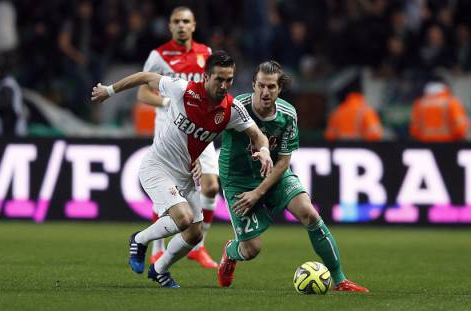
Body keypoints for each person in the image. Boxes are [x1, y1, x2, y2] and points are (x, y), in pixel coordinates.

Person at [91, 51, 273, 288]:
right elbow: (146, 77)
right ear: (206, 76)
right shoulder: (183, 89)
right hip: (157, 166)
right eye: (219, 79)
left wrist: (266, 151)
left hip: (185, 175)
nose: (224, 85)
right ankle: (139, 239)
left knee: (195, 234)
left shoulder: (231, 109)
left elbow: (258, 136)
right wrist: (109, 90)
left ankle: (159, 269)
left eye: (229, 79)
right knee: (184, 218)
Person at [217, 61, 369, 292]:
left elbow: (284, 161)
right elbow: (207, 129)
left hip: (275, 173)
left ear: (279, 89)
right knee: (251, 249)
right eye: (261, 86)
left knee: (309, 212)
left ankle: (340, 280)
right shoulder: (236, 107)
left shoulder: (287, 114)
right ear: (253, 85)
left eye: (271, 87)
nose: (265, 92)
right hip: (238, 179)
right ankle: (230, 250)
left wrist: (259, 193)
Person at [137, 6, 219, 268]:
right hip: (170, 129)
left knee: (211, 186)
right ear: (170, 26)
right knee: (168, 189)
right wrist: (168, 101)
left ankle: (198, 246)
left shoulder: (206, 54)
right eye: (176, 21)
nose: (182, 25)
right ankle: (157, 250)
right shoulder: (158, 56)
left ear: (194, 25)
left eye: (186, 21)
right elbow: (143, 94)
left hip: (200, 129)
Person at [409, 77, 469, 142]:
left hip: (425, 143)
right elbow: (460, 128)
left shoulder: (419, 104)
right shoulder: (451, 102)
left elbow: (414, 130)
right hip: (449, 143)